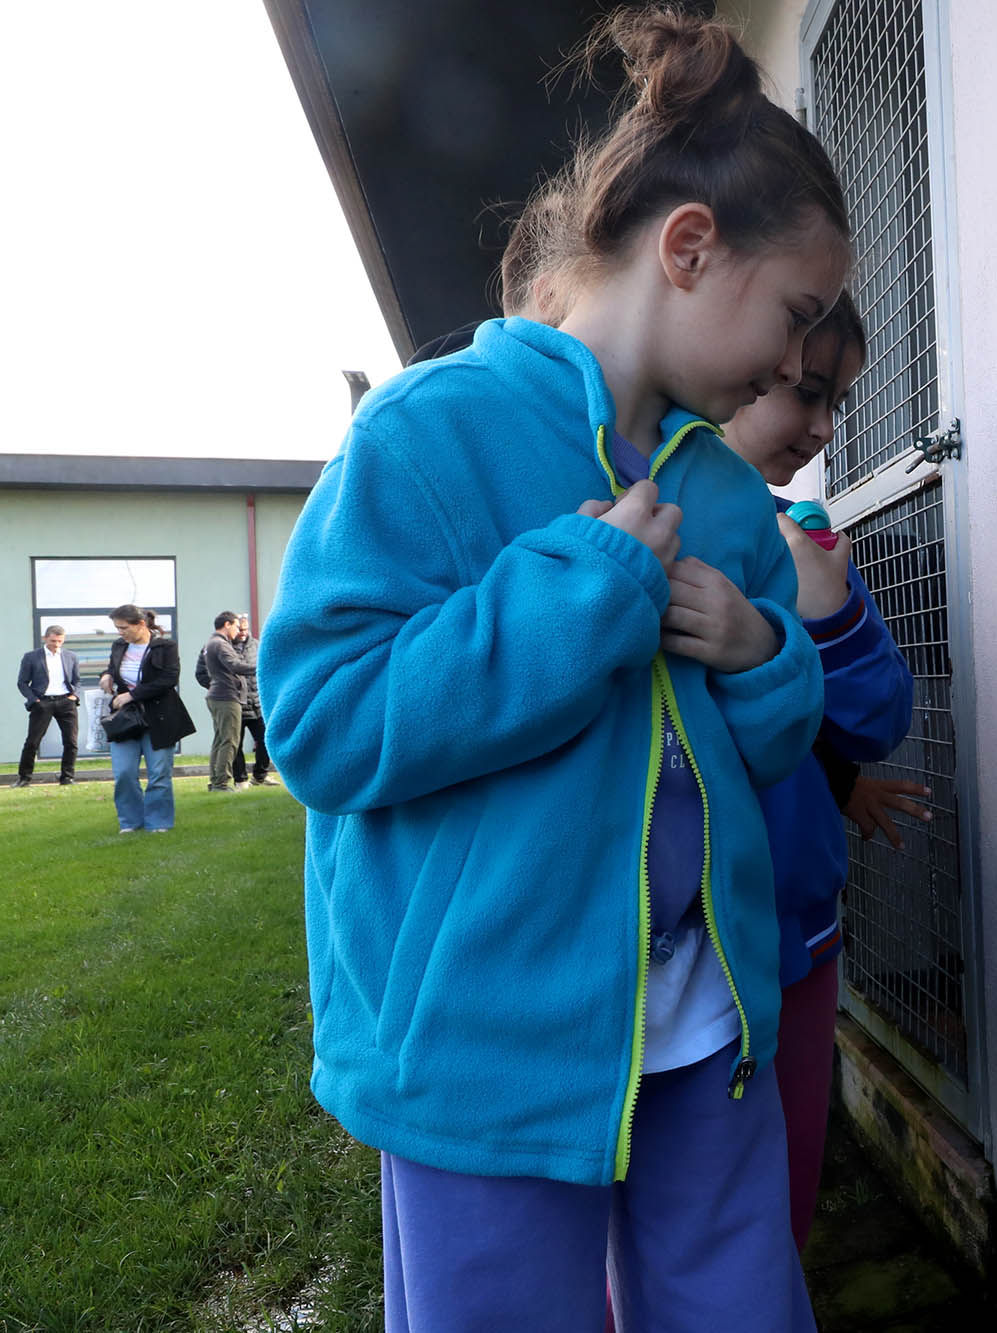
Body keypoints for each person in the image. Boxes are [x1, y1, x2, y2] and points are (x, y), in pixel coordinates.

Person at [258, 9, 849, 1330]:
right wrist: (577, 596)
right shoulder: (425, 434)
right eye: (799, 315)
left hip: (705, 1028)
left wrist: (766, 658)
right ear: (689, 249)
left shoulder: (725, 490)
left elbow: (772, 735)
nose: (801, 363)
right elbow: (322, 721)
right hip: (488, 1061)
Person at [720, 292, 932, 1249]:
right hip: (676, 947)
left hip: (799, 941)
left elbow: (879, 714)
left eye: (835, 397)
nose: (824, 427)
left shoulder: (800, 533)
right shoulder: (643, 530)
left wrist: (831, 606)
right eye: (805, 390)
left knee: (781, 1190)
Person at [99, 605, 196, 832]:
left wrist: (132, 695)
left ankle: (158, 823)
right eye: (117, 628)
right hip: (125, 721)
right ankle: (130, 823)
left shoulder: (165, 647)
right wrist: (106, 674)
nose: (120, 632)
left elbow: (169, 679)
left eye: (124, 628)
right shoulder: (119, 646)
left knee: (159, 774)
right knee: (123, 773)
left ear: (140, 624)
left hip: (160, 718)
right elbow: (113, 668)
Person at [15, 625, 81, 787]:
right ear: (45, 638)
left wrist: (74, 696)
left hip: (66, 702)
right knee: (32, 742)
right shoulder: (31, 657)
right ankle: (24, 778)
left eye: (60, 641)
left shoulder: (71, 656)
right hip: (42, 702)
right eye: (53, 641)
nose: (56, 644)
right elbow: (22, 682)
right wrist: (34, 700)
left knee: (71, 741)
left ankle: (67, 777)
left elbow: (77, 681)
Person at [201, 612, 254, 792]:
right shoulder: (221, 644)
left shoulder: (211, 643)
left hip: (217, 695)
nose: (238, 631)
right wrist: (261, 667)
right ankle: (221, 783)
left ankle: (215, 780)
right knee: (230, 740)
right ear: (227, 624)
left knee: (220, 739)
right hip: (226, 697)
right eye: (237, 626)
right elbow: (234, 665)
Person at [227, 615, 275, 787]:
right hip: (235, 704)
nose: (242, 632)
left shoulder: (256, 645)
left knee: (266, 740)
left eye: (245, 629)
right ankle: (240, 779)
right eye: (239, 629)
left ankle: (260, 775)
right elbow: (202, 673)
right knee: (235, 744)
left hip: (256, 705)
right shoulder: (224, 646)